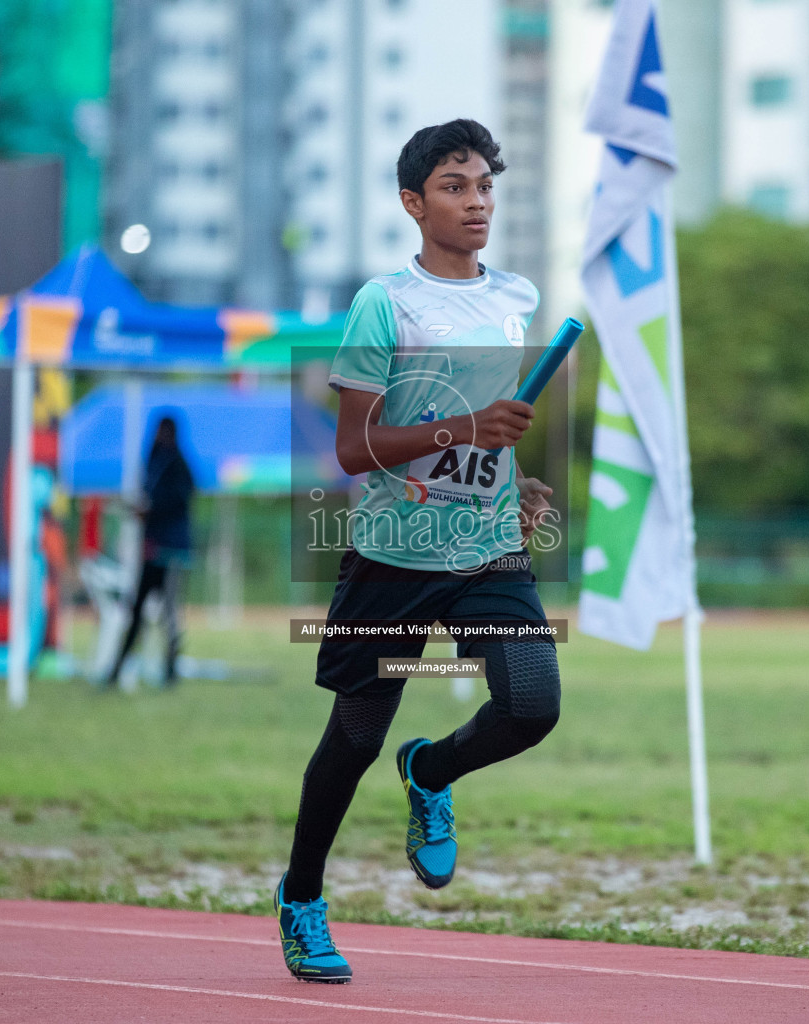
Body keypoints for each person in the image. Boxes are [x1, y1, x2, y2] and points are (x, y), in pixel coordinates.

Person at [274, 119, 560, 984]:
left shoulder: (515, 298)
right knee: (354, 738)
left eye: (484, 186)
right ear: (413, 202)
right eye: (454, 187)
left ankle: (429, 772)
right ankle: (301, 898)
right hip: (393, 555)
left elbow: (491, 424)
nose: (477, 202)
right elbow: (356, 450)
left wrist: (514, 480)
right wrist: (469, 429)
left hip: (485, 549)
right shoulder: (383, 303)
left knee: (531, 705)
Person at [100, 414, 195, 689]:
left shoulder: (175, 465)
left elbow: (178, 499)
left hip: (170, 551)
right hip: (154, 550)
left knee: (168, 615)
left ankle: (167, 670)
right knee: (142, 611)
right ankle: (120, 668)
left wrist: (151, 510)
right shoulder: (156, 462)